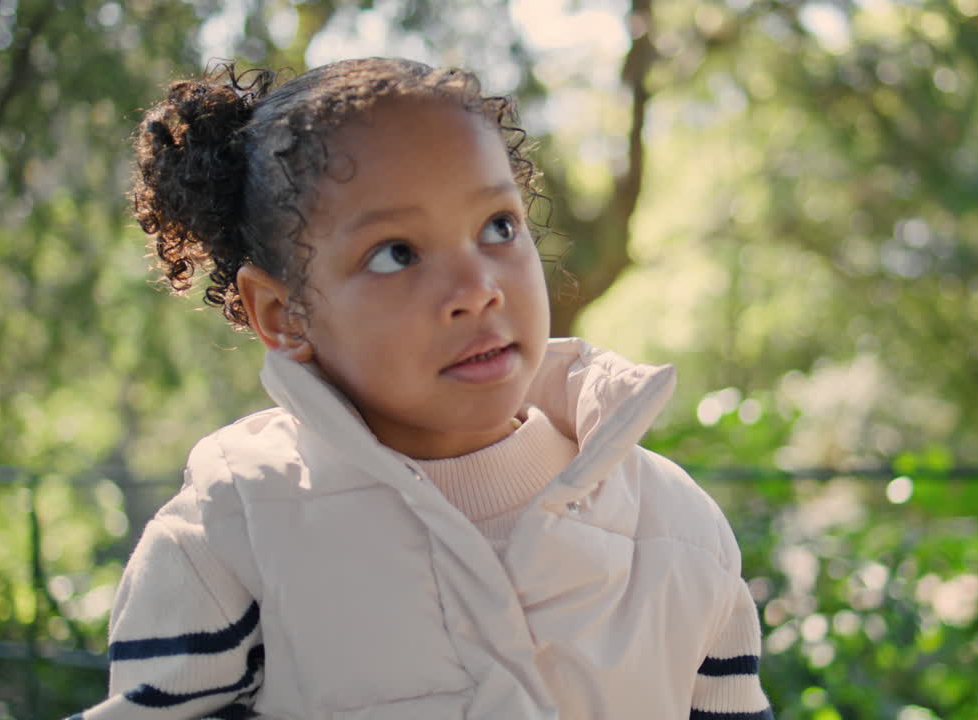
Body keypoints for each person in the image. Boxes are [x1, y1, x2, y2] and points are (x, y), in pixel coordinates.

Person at [75, 57, 773, 720]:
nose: (477, 290)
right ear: (282, 314)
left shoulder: (677, 529)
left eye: (498, 227)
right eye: (396, 254)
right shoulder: (229, 537)